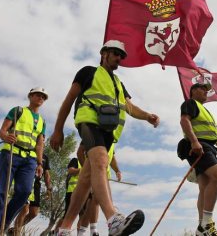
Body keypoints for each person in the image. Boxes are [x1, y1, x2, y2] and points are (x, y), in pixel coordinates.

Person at [50, 40, 160, 236]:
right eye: (116, 53)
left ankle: (64, 229)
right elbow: (68, 100)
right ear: (104, 53)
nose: (119, 58)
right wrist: (58, 130)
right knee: (101, 162)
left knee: (86, 179)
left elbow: (131, 108)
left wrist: (147, 116)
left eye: (121, 55)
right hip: (90, 122)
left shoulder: (118, 83)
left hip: (110, 133)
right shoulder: (88, 72)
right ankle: (113, 219)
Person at [178, 82, 217, 236]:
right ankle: (207, 223)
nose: (206, 91)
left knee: (205, 186)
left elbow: (215, 136)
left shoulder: (205, 111)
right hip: (198, 145)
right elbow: (184, 121)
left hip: (207, 145)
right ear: (193, 91)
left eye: (207, 90)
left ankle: (201, 227)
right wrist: (194, 141)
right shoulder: (190, 103)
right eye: (202, 89)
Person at [0, 87, 48, 235]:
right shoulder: (18, 111)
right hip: (11, 153)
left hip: (30, 160)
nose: (41, 98)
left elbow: (40, 144)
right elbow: (2, 130)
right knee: (1, 191)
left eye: (43, 97)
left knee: (25, 192)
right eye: (38, 95)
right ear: (30, 96)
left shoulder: (42, 121)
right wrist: (6, 136)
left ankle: (3, 222)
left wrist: (40, 163)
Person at [77, 143, 122, 236]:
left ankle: (84, 231)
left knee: (94, 201)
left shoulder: (111, 139)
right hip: (95, 173)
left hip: (104, 176)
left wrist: (117, 170)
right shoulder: (94, 131)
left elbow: (111, 157)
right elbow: (80, 152)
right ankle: (94, 229)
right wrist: (87, 170)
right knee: (95, 199)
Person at [9, 153, 52, 236]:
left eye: (43, 140)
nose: (42, 141)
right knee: (24, 209)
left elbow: (46, 174)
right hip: (25, 181)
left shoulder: (45, 157)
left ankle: (13, 230)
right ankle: (16, 233)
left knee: (34, 212)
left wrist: (49, 188)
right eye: (40, 140)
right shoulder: (30, 151)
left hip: (36, 185)